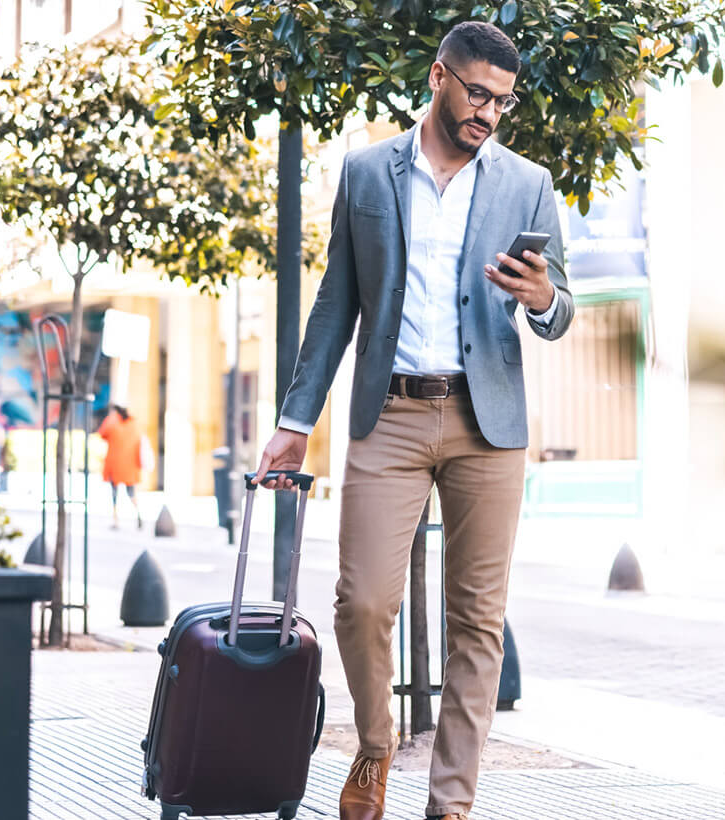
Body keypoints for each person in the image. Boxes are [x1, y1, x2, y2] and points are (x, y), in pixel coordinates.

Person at [254, 21, 573, 820]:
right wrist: (297, 418)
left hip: (485, 422)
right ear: (438, 76)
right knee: (361, 602)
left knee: (478, 623)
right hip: (388, 414)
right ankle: (374, 747)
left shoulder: (526, 183)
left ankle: (451, 804)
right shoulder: (367, 174)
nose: (488, 114)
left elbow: (560, 305)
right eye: (475, 93)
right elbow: (336, 305)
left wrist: (543, 301)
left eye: (502, 101)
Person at [97, 404, 143, 530]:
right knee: (131, 493)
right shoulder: (133, 424)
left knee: (114, 494)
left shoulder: (112, 422)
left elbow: (102, 433)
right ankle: (138, 514)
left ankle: (116, 520)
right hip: (130, 466)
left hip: (115, 465)